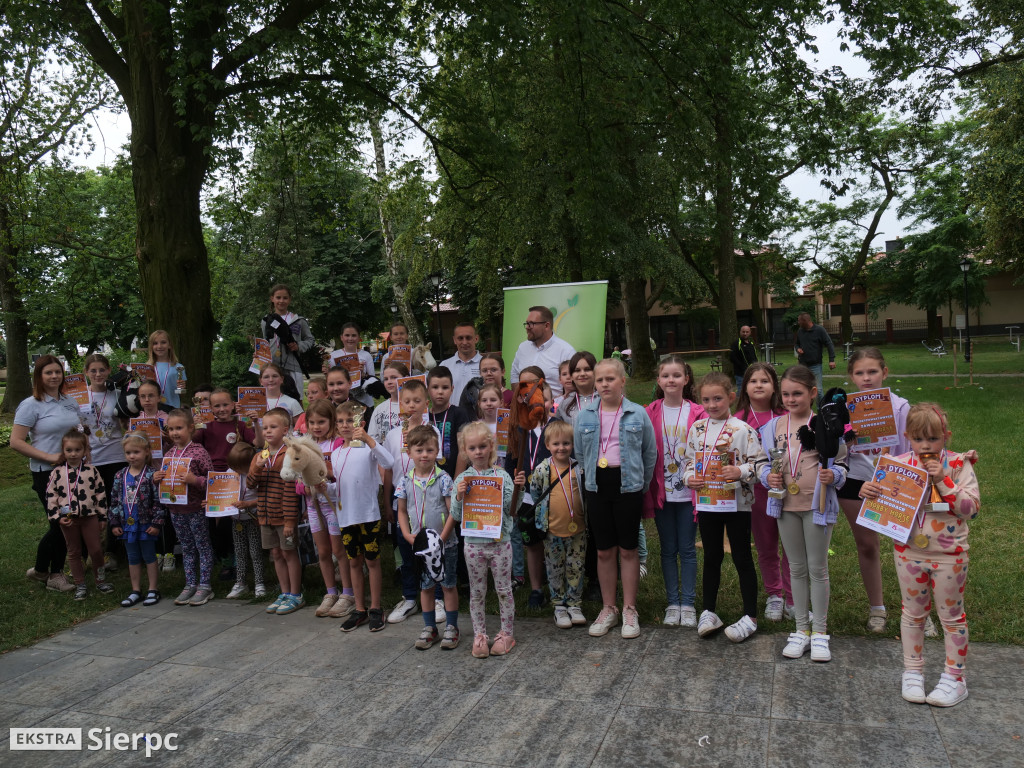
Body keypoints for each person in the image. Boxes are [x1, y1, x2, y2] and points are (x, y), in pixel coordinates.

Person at [859, 403, 979, 707]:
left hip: (950, 555)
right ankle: (912, 671)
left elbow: (971, 509)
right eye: (918, 439)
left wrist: (943, 480)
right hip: (909, 552)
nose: (926, 446)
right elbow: (882, 506)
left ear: (946, 436)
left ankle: (955, 678)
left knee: (951, 617)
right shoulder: (897, 466)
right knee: (912, 614)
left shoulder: (958, 464)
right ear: (907, 437)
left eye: (933, 439)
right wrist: (869, 493)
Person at [760, 365, 848, 663]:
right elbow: (762, 461)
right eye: (785, 394)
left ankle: (820, 632)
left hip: (816, 507)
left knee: (817, 568)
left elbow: (843, 463)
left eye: (797, 393)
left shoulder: (826, 423)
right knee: (796, 568)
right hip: (785, 506)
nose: (790, 399)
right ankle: (800, 629)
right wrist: (767, 476)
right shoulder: (773, 427)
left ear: (812, 393)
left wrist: (834, 475)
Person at [574, 358, 656, 639]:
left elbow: (649, 453)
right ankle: (609, 607)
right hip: (597, 486)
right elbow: (580, 453)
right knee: (604, 550)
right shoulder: (585, 415)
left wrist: (640, 484)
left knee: (628, 550)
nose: (604, 384)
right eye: (600, 380)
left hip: (628, 487)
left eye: (610, 379)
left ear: (623, 381)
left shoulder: (637, 413)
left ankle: (630, 608)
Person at [684, 372, 766, 643]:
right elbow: (689, 461)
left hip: (737, 505)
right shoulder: (697, 429)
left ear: (731, 397)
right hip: (708, 504)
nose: (712, 405)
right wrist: (689, 478)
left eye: (718, 398)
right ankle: (708, 611)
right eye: (706, 400)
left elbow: (759, 466)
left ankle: (751, 616)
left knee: (742, 557)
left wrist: (740, 471)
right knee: (712, 556)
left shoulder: (744, 430)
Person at [840, 348, 911, 633]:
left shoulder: (901, 407)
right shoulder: (843, 408)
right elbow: (836, 453)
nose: (866, 378)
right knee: (867, 545)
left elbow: (909, 449)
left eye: (872, 371)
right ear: (851, 376)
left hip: (893, 481)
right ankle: (877, 608)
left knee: (907, 547)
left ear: (885, 372)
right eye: (860, 373)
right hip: (856, 480)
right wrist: (847, 439)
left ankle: (917, 609)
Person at [644, 355, 705, 628]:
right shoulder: (649, 412)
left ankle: (688, 603)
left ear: (686, 379)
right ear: (658, 380)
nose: (671, 380)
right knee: (668, 549)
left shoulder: (698, 412)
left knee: (687, 549)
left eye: (676, 375)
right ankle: (672, 603)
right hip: (662, 492)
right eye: (666, 375)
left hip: (689, 493)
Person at [451, 421, 522, 657]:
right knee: (477, 592)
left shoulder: (502, 476)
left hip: (500, 543)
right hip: (473, 544)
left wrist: (518, 489)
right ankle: (480, 635)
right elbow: (455, 515)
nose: (478, 452)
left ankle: (507, 633)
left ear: (491, 446)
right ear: (465, 451)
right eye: (472, 448)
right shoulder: (463, 479)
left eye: (482, 446)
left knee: (504, 589)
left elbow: (513, 510)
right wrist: (459, 496)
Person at [13, 355, 82, 593]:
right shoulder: (30, 405)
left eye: (57, 372)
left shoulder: (70, 401)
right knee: (60, 523)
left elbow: (77, 431)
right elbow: (16, 442)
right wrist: (49, 457)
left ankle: (44, 571)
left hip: (70, 470)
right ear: (39, 376)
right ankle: (52, 573)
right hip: (46, 473)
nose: (54, 376)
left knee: (67, 520)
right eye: (48, 372)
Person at [734, 362, 791, 621]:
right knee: (766, 545)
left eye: (765, 381)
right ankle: (775, 595)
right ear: (745, 387)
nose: (759, 385)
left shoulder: (787, 415)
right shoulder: (737, 420)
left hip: (787, 488)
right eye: (753, 381)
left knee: (791, 546)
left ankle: (794, 596)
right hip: (756, 492)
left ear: (774, 387)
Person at [331, 401, 395, 632]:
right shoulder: (335, 453)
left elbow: (389, 462)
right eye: (341, 421)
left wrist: (369, 439)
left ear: (362, 423)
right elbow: (336, 488)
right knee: (354, 562)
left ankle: (376, 607)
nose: (345, 425)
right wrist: (321, 487)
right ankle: (359, 609)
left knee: (372, 560)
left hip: (368, 514)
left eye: (350, 420)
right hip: (346, 516)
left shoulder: (368, 448)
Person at [382, 380, 441, 624]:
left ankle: (437, 597)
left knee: (431, 549)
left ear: (426, 403)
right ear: (400, 405)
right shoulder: (393, 435)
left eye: (417, 401)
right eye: (406, 401)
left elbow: (438, 462)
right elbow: (388, 470)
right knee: (406, 551)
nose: (412, 405)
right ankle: (409, 597)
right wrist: (388, 502)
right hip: (403, 503)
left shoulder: (432, 431)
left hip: (428, 499)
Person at [395, 425, 459, 650]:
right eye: (419, 450)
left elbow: (453, 511)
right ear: (409, 452)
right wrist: (406, 534)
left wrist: (442, 538)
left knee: (448, 585)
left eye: (430, 450)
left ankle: (451, 627)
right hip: (421, 546)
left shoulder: (444, 479)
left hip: (445, 545)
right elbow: (401, 511)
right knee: (426, 586)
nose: (424, 455)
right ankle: (430, 627)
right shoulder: (405, 481)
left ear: (437, 452)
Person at [528, 420, 587, 629]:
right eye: (556, 444)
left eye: (566, 443)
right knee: (555, 568)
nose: (561, 448)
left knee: (576, 566)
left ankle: (574, 603)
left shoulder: (578, 468)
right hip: (552, 530)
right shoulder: (543, 469)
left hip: (578, 529)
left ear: (572, 444)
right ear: (547, 445)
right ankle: (559, 605)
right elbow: (535, 492)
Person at [504, 367, 555, 603]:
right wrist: (513, 482)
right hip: (526, 497)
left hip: (553, 495)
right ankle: (536, 589)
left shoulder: (556, 426)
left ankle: (556, 586)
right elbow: (511, 461)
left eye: (545, 399)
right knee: (533, 544)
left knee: (554, 543)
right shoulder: (518, 428)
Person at [155, 408, 215, 606]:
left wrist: (194, 480)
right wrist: (157, 479)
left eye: (179, 428)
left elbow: (212, 482)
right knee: (187, 547)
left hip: (196, 509)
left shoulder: (199, 452)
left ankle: (205, 586)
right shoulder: (169, 453)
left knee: (202, 546)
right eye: (171, 429)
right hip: (176, 510)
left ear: (190, 428)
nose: (174, 433)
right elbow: (166, 480)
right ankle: (190, 584)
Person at [248, 407, 305, 615]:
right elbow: (250, 484)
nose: (268, 431)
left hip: (284, 516)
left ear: (285, 429)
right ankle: (284, 592)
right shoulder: (260, 455)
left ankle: (296, 594)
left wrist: (290, 520)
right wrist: (257, 467)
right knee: (276, 553)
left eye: (273, 427)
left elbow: (291, 490)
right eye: (265, 428)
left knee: (289, 553)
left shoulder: (289, 454)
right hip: (266, 516)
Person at [45, 429, 113, 601]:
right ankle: (80, 584)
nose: (73, 454)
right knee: (73, 552)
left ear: (84, 451)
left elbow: (100, 494)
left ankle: (100, 580)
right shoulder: (57, 472)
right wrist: (57, 517)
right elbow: (51, 496)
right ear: (63, 451)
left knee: (96, 550)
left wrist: (102, 516)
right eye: (69, 450)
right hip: (68, 519)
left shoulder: (92, 471)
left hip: (90, 517)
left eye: (77, 450)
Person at [294, 400, 348, 616]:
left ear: (331, 421)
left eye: (321, 422)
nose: (316, 427)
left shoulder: (338, 444)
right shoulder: (304, 446)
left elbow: (342, 473)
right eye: (312, 422)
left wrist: (328, 481)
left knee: (338, 551)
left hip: (333, 505)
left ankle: (348, 593)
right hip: (313, 505)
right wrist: (305, 488)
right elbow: (298, 478)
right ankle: (331, 592)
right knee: (323, 552)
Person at [109, 433, 165, 607]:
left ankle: (153, 589)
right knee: (132, 557)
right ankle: (135, 590)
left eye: (136, 452)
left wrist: (156, 523)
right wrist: (115, 522)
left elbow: (158, 501)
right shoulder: (120, 475)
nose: (132, 456)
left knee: (149, 556)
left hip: (146, 523)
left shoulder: (151, 475)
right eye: (128, 453)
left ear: (146, 451)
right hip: (127, 524)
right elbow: (114, 500)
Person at [83, 354, 127, 573]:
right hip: (91, 458)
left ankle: (112, 551)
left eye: (102, 370)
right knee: (91, 505)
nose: (98, 374)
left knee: (114, 505)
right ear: (86, 373)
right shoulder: (80, 396)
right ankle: (91, 550)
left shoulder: (117, 394)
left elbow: (126, 422)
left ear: (109, 371)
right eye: (93, 370)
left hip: (116, 456)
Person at [224, 441, 266, 600]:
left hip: (253, 519)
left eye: (238, 467)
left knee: (255, 552)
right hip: (237, 520)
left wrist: (248, 504)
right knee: (240, 552)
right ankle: (241, 582)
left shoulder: (256, 474)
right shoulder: (230, 473)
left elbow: (263, 497)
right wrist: (214, 502)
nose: (235, 470)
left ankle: (259, 583)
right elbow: (222, 492)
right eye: (233, 466)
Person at [510, 305, 576, 396]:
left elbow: (574, 384)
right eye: (527, 323)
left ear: (546, 325)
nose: (527, 327)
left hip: (554, 404)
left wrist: (558, 402)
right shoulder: (522, 348)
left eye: (531, 324)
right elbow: (514, 375)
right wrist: (519, 398)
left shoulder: (566, 351)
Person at [261, 284, 315, 395]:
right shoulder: (266, 321)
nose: (281, 301)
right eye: (278, 297)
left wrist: (298, 346)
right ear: (272, 299)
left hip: (293, 366)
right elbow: (265, 343)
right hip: (272, 367)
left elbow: (310, 340)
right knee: (273, 398)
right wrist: (259, 354)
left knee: (296, 398)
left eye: (285, 298)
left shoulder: (299, 321)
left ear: (289, 300)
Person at [332, 322, 376, 407]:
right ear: (341, 337)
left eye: (354, 335)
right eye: (347, 335)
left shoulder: (366, 355)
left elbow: (373, 380)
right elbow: (331, 380)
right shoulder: (334, 356)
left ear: (359, 338)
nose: (350, 338)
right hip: (342, 404)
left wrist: (363, 375)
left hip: (365, 403)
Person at [794, 313, 835, 400]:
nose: (798, 323)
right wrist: (798, 349)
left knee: (818, 390)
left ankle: (821, 407)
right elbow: (797, 344)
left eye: (799, 321)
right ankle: (805, 406)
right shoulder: (800, 331)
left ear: (805, 321)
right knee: (802, 388)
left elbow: (829, 344)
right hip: (802, 365)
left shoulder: (819, 330)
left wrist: (831, 360)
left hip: (815, 364)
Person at [441, 321, 482, 404]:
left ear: (476, 339)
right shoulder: (445, 365)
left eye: (468, 338)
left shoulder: (486, 365)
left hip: (478, 413)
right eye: (460, 338)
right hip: (452, 412)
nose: (464, 342)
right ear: (454, 340)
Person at [368, 361, 407, 445]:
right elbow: (373, 438)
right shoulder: (380, 409)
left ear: (405, 378)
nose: (389, 382)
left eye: (394, 377)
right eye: (386, 379)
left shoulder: (414, 406)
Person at [147, 329, 186, 408]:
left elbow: (181, 394)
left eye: (163, 342)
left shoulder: (178, 367)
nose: (159, 346)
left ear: (169, 345)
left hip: (173, 409)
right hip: (153, 409)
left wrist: (181, 388)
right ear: (151, 346)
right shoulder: (147, 367)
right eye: (155, 343)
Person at [555, 351, 598, 423]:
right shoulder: (564, 404)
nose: (582, 374)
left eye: (587, 369)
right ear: (571, 376)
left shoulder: (604, 400)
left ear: (595, 372)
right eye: (577, 370)